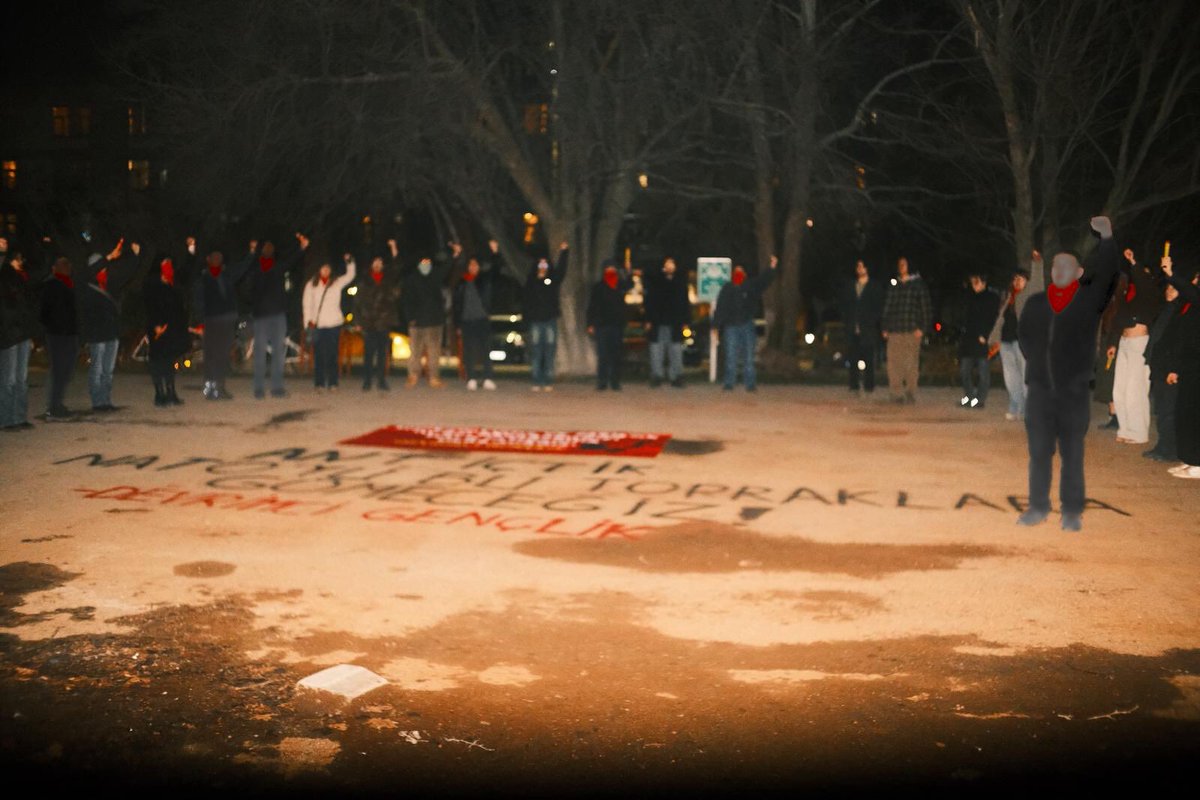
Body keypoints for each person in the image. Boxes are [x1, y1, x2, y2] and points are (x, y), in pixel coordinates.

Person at [1017, 215, 1121, 532]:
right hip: (1039, 393)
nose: (1059, 271)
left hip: (1073, 394)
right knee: (1039, 453)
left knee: (1072, 454)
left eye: (1067, 267)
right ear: (1050, 271)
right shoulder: (1035, 303)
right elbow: (1024, 338)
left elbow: (1107, 276)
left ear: (1078, 273)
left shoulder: (1088, 301)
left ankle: (1072, 511)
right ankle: (1037, 507)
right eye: (1055, 266)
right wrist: (1038, 366)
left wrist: (1107, 241)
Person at [243, 233, 309, 399]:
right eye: (266, 247)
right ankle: (261, 389)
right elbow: (246, 281)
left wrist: (302, 248)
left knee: (277, 353)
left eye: (270, 247)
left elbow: (292, 260)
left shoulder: (276, 267)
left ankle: (275, 388)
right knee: (262, 353)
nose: (268, 249)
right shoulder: (257, 268)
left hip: (275, 315)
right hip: (264, 316)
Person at [1109, 247, 1164, 445]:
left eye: (1143, 273)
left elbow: (1142, 279)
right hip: (1125, 342)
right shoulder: (1130, 296)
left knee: (1136, 388)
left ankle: (1139, 432)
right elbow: (1118, 319)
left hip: (1139, 343)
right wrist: (1114, 343)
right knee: (1119, 389)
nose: (1139, 276)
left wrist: (1133, 262)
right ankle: (1126, 428)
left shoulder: (1151, 293)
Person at [79, 239, 142, 412]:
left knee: (107, 370)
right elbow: (88, 272)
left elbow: (127, 273)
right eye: (101, 266)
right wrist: (109, 257)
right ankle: (97, 402)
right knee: (97, 368)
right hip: (96, 333)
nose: (104, 268)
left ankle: (105, 401)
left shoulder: (110, 281)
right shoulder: (87, 283)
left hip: (111, 332)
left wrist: (135, 257)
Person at [192, 238, 256, 400]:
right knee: (211, 355)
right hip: (211, 321)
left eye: (219, 258)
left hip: (227, 320)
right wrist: (200, 322)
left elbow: (242, 268)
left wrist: (252, 253)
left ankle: (220, 387)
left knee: (222, 355)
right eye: (214, 257)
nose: (217, 260)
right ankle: (209, 389)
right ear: (208, 260)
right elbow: (198, 302)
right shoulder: (203, 279)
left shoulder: (226, 275)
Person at [1142, 275, 1191, 462]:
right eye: (1168, 288)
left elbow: (1179, 344)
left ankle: (1169, 450)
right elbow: (1156, 339)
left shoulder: (1181, 312)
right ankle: (1162, 446)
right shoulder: (1166, 309)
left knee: (1169, 410)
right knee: (1161, 409)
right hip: (1159, 366)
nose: (1168, 291)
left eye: (1173, 288)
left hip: (1170, 368)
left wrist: (1174, 369)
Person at [1160, 255, 1200, 479]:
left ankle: (1198, 462)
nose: (1195, 281)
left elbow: (1191, 292)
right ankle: (1189, 458)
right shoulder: (1191, 305)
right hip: (1189, 362)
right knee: (1184, 411)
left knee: (1194, 413)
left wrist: (1171, 274)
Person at [713, 256, 778, 392]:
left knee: (749, 357)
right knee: (731, 356)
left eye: (740, 272)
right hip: (731, 326)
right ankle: (729, 383)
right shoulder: (727, 288)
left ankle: (750, 384)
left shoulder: (751, 286)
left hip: (747, 325)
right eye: (736, 272)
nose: (738, 274)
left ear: (745, 274)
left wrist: (771, 268)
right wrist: (715, 326)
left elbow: (763, 281)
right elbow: (720, 307)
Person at [988, 256, 1041, 420]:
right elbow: (1000, 320)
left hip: (1022, 342)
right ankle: (1015, 405)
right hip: (1006, 341)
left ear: (1026, 281)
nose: (1017, 282)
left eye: (1021, 279)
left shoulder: (1029, 295)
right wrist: (993, 340)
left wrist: (1037, 264)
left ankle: (1027, 408)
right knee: (1010, 378)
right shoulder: (1008, 298)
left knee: (1026, 376)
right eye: (1015, 279)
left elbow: (1038, 283)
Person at [0, 238, 40, 430]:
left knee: (21, 379)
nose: (22, 262)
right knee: (8, 379)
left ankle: (19, 417)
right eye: (19, 259)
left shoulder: (21, 278)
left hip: (22, 333)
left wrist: (30, 335)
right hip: (8, 334)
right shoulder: (4, 275)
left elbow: (27, 309)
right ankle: (7, 419)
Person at [880, 256, 932, 404]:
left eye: (904, 264)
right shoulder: (894, 285)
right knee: (893, 363)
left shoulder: (918, 285)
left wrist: (922, 328)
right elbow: (887, 307)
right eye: (900, 264)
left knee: (910, 363)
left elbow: (926, 308)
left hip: (911, 331)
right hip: (895, 330)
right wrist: (884, 327)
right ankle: (896, 393)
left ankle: (910, 392)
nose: (901, 266)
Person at [302, 253, 356, 392]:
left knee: (333, 354)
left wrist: (349, 262)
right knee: (319, 354)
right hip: (317, 324)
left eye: (328, 268)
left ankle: (333, 383)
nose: (325, 270)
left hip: (333, 323)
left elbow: (350, 276)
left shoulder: (336, 282)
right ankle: (319, 383)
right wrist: (308, 322)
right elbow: (306, 304)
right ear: (318, 269)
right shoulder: (311, 284)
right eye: (323, 268)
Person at [143, 255, 191, 407]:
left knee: (170, 361)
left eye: (170, 264)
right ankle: (159, 393)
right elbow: (149, 306)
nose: (168, 268)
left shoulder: (172, 284)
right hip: (158, 328)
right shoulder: (152, 285)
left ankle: (171, 392)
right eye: (165, 265)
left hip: (171, 329)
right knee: (158, 361)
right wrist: (156, 324)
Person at [355, 241, 402, 391]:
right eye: (375, 262)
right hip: (369, 321)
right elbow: (357, 302)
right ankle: (367, 380)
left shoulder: (388, 277)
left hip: (384, 320)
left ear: (383, 265)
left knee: (382, 353)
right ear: (371, 264)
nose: (377, 264)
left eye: (380, 262)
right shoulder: (364, 280)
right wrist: (358, 321)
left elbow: (397, 267)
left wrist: (394, 249)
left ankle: (381, 380)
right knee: (368, 353)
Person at [522, 241, 569, 391]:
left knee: (549, 351)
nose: (543, 267)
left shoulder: (553, 279)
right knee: (537, 351)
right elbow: (526, 301)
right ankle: (536, 380)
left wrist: (564, 253)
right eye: (540, 264)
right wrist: (527, 318)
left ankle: (548, 381)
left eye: (545, 264)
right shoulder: (531, 280)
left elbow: (561, 271)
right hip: (536, 321)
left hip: (550, 320)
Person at [402, 252, 452, 388]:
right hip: (416, 322)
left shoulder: (435, 275)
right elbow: (406, 299)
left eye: (427, 262)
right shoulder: (412, 278)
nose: (425, 264)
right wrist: (410, 318)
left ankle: (434, 377)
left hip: (434, 321)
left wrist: (454, 255)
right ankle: (413, 376)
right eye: (422, 262)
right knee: (415, 351)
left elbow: (447, 267)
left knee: (434, 351)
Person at [39, 255, 80, 420]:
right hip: (57, 334)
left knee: (66, 371)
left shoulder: (68, 284)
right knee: (58, 371)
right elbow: (45, 312)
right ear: (55, 268)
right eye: (63, 265)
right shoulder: (51, 285)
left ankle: (58, 403)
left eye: (67, 265)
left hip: (69, 333)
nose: (67, 268)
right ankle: (53, 406)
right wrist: (54, 326)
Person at [586, 259, 634, 391]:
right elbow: (592, 306)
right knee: (602, 355)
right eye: (608, 270)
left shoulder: (619, 285)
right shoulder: (598, 287)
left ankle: (615, 382)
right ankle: (602, 381)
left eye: (613, 270)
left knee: (616, 355)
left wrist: (628, 272)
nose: (610, 272)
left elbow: (630, 285)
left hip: (617, 325)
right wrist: (590, 323)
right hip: (602, 325)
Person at [643, 256, 691, 388]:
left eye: (672, 264)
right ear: (663, 266)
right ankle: (656, 376)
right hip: (657, 322)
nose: (670, 267)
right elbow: (649, 302)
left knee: (675, 350)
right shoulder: (655, 282)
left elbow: (685, 303)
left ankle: (676, 377)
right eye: (667, 264)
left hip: (675, 322)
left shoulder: (680, 283)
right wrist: (648, 320)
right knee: (656, 350)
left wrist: (686, 321)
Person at [839, 259, 884, 395]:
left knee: (869, 359)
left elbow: (879, 307)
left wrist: (872, 321)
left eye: (862, 266)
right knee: (853, 358)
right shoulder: (851, 286)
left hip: (868, 329)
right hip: (853, 328)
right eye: (858, 266)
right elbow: (844, 305)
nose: (859, 269)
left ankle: (869, 386)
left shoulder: (874, 287)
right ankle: (853, 386)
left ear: (867, 268)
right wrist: (847, 321)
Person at [452, 254, 496, 391]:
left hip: (482, 320)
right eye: (470, 265)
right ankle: (471, 378)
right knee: (468, 351)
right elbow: (456, 305)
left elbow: (494, 269)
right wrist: (457, 324)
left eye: (475, 265)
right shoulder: (462, 282)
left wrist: (494, 253)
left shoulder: (483, 280)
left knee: (485, 350)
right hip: (466, 321)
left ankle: (488, 378)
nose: (473, 267)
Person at [957, 271, 1000, 409]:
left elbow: (993, 318)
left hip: (982, 340)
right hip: (968, 340)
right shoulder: (970, 297)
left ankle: (979, 399)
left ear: (983, 282)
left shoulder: (992, 298)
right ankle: (970, 395)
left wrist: (986, 335)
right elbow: (965, 317)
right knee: (964, 370)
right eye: (972, 282)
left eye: (976, 282)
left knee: (983, 371)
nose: (974, 285)